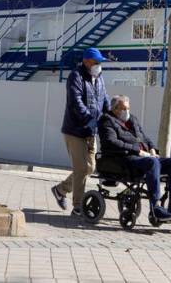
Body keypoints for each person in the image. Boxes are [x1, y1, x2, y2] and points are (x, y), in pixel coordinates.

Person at [98, 94, 171, 222]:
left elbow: (144, 138)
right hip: (125, 159)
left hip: (145, 157)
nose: (127, 112)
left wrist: (153, 148)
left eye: (128, 108)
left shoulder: (132, 119)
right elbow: (111, 142)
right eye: (123, 109)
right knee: (152, 162)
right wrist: (138, 151)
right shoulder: (107, 120)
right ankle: (155, 207)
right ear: (115, 109)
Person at [51, 47, 110, 217]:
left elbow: (104, 99)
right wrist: (89, 119)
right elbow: (76, 102)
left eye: (100, 62)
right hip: (75, 130)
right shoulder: (75, 76)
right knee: (81, 168)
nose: (99, 65)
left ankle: (60, 190)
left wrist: (110, 118)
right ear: (86, 62)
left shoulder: (99, 78)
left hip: (91, 130)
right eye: (96, 62)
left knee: (90, 167)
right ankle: (78, 206)